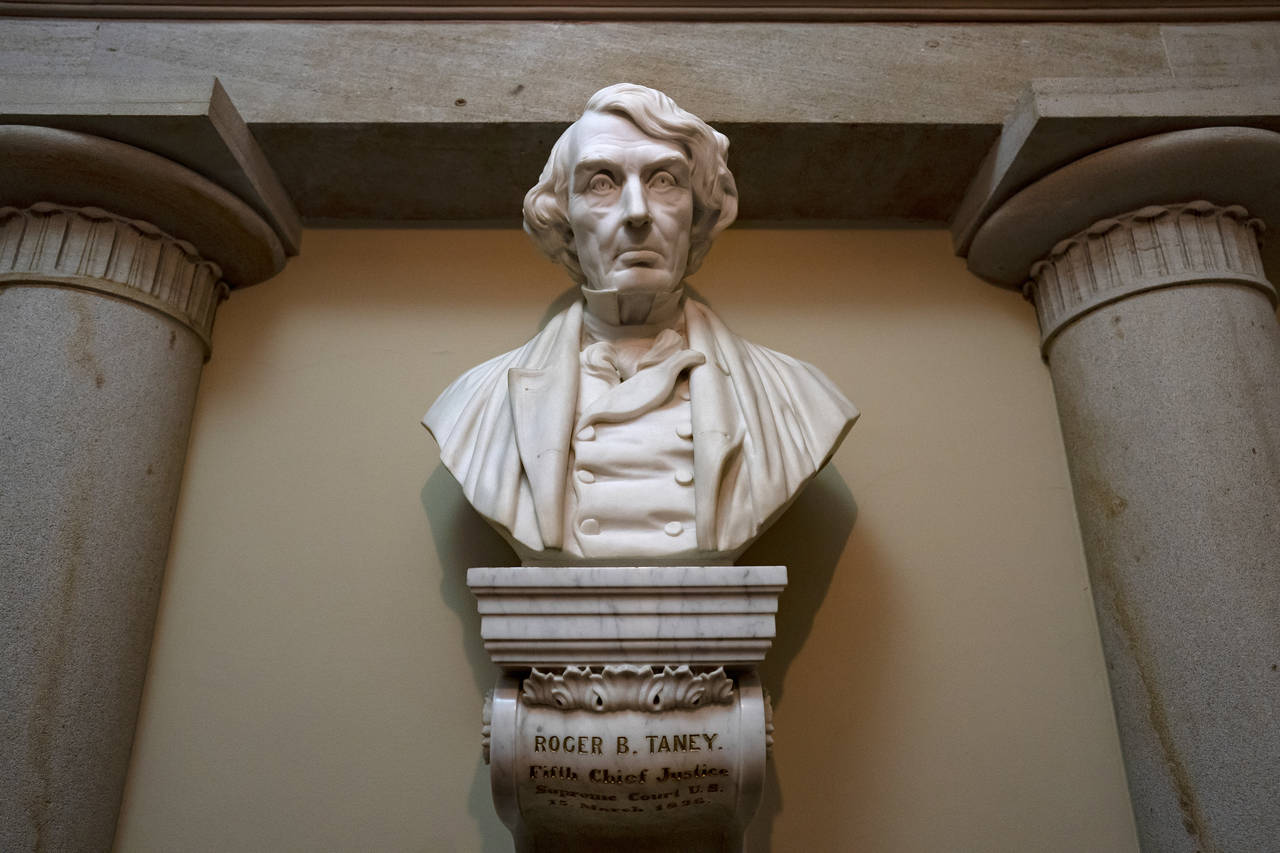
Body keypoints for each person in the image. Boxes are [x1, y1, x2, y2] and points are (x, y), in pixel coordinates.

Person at [424, 83, 857, 564]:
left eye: (664, 181)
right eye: (602, 183)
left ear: (698, 214)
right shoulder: (477, 401)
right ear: (565, 221)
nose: (636, 213)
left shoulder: (796, 397)